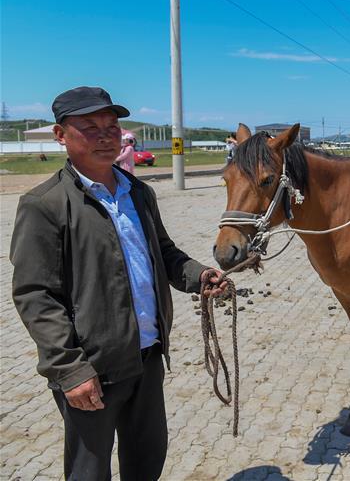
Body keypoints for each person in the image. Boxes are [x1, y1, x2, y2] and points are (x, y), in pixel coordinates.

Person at [10, 86, 229, 481]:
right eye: (90, 126)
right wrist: (70, 370)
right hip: (92, 367)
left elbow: (163, 253)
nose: (105, 135)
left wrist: (199, 276)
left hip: (146, 357)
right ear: (61, 135)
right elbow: (36, 296)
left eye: (112, 126)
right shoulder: (45, 204)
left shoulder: (138, 192)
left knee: (147, 460)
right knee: (89, 472)